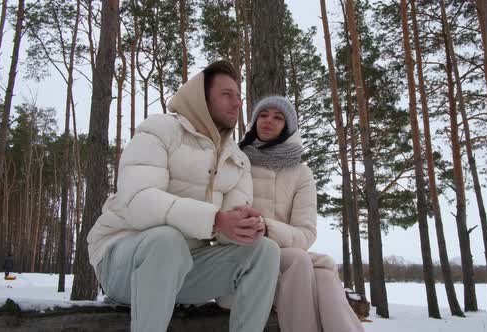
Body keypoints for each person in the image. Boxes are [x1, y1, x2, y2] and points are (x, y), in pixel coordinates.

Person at [86, 61, 280, 332]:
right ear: (202, 97)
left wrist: (243, 227)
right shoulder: (160, 130)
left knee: (265, 252)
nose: (237, 103)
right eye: (226, 94)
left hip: (188, 268)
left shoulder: (237, 160)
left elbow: (226, 229)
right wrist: (215, 219)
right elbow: (138, 202)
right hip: (126, 263)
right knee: (167, 240)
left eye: (239, 96)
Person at [238, 95, 365, 332]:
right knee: (305, 262)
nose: (268, 121)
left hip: (289, 261)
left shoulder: (301, 173)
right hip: (245, 258)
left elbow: (306, 234)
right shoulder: (237, 160)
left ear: (288, 127)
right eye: (263, 115)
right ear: (253, 122)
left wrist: (268, 227)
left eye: (278, 117)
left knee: (325, 277)